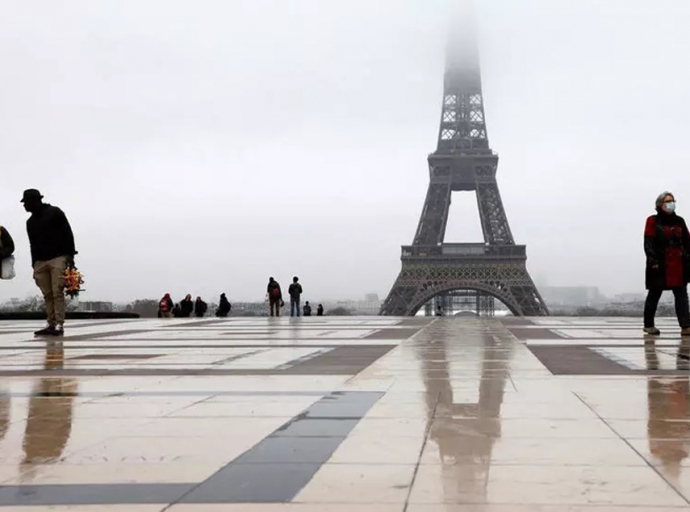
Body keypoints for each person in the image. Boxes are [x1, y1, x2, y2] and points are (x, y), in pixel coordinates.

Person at [22, 189, 77, 337]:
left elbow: (67, 233)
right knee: (47, 294)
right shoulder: (30, 222)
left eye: (26, 202)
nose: (24, 206)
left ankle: (58, 323)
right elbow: (32, 244)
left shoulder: (54, 212)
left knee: (57, 291)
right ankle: (51, 323)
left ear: (34, 201)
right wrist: (34, 263)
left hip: (58, 257)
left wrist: (70, 256)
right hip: (40, 261)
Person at [644, 191, 690, 336]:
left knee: (682, 295)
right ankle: (649, 324)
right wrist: (653, 261)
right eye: (668, 201)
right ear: (660, 204)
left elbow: (687, 242)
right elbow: (649, 243)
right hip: (660, 263)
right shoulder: (653, 220)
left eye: (672, 201)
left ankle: (685, 326)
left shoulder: (679, 221)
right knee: (654, 294)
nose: (671, 204)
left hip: (678, 263)